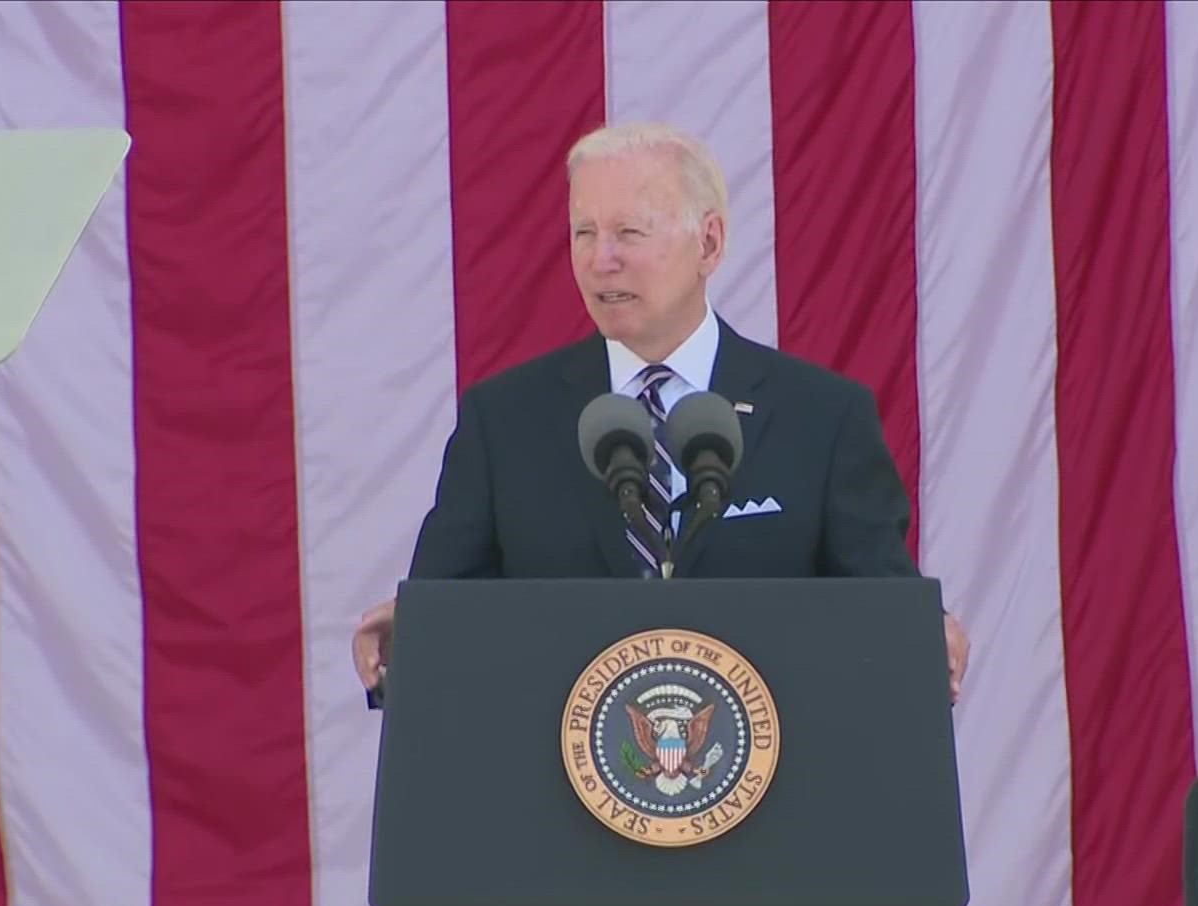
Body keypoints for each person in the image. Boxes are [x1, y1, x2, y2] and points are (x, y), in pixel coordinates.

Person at [352, 121, 969, 699]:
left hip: (771, 793)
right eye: (584, 232)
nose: (600, 260)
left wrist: (922, 632)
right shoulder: (504, 421)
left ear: (709, 242)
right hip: (555, 793)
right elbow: (450, 613)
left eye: (630, 233)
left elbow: (880, 605)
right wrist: (412, 636)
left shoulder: (823, 418)